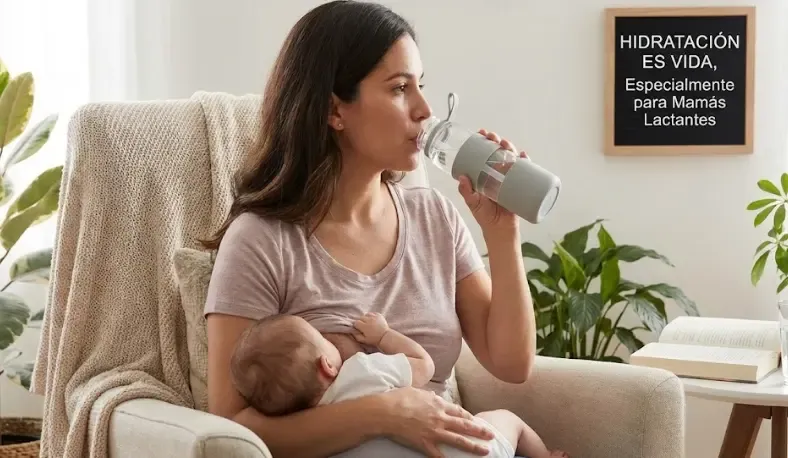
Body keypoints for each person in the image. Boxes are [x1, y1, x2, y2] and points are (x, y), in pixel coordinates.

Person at [201, 1, 539, 456]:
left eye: (422, 85)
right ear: (334, 110)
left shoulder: (434, 216)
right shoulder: (262, 241)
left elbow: (512, 364)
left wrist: (502, 233)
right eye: (400, 88)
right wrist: (385, 413)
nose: (425, 110)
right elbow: (231, 425)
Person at [230, 312, 569, 458]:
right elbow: (425, 365)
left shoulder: (318, 436)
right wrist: (383, 336)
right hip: (474, 449)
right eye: (322, 338)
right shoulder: (363, 370)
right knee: (506, 418)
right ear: (327, 364)